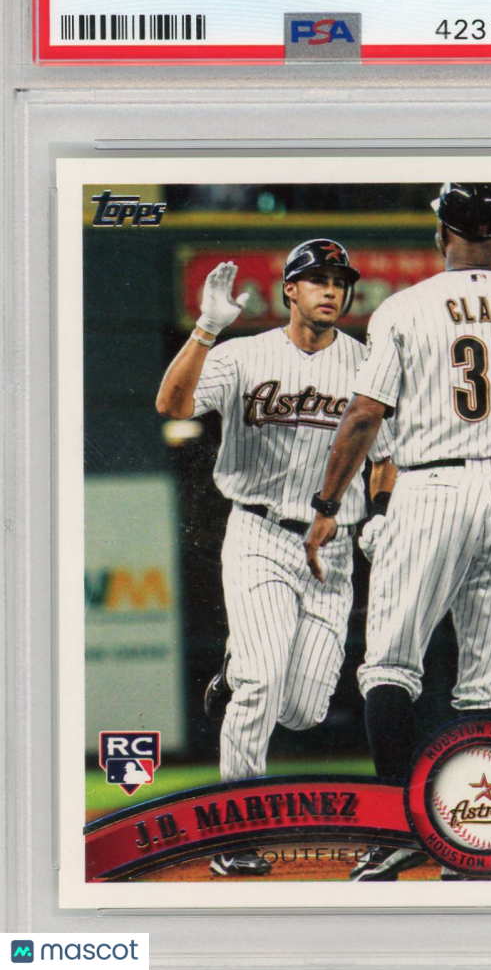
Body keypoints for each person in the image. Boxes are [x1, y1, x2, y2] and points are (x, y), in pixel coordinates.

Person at [304, 184, 491, 881]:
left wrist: (327, 502)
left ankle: (399, 832)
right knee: (487, 684)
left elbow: (364, 415)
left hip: (433, 487)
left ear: (440, 231)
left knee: (389, 667)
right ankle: (488, 846)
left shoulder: (405, 307)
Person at [156, 239, 392, 878]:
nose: (331, 290)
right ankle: (234, 834)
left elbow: (385, 457)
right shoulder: (243, 355)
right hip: (259, 533)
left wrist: (381, 512)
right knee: (263, 683)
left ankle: (234, 670)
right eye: (317, 279)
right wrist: (206, 329)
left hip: (332, 548)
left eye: (339, 281)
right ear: (290, 289)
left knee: (304, 710)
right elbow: (172, 406)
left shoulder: (367, 364)